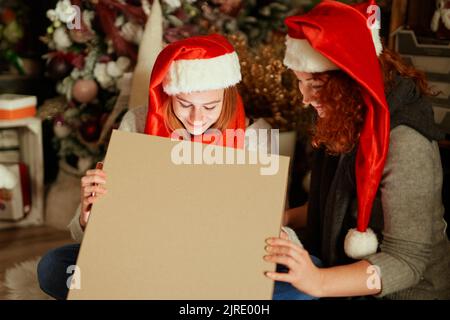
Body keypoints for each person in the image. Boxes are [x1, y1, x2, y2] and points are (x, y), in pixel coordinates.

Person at [37, 34, 314, 300]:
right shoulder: (137, 122)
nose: (196, 119)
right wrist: (89, 215)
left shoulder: (256, 135)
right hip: (146, 256)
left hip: (221, 263)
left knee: (305, 279)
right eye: (184, 104)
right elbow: (99, 230)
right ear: (168, 95)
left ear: (227, 97)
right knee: (53, 266)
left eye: (210, 106)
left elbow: (276, 223)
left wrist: (267, 229)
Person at [265, 0, 450, 299]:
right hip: (341, 274)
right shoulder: (344, 117)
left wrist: (318, 281)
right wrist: (281, 219)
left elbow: (406, 262)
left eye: (315, 84)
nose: (305, 98)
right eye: (301, 83)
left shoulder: (406, 143)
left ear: (351, 80)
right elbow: (336, 205)